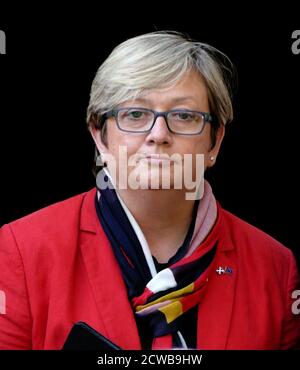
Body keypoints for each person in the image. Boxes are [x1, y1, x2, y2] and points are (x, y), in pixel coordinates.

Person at [0, 31, 299, 350]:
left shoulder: (275, 268)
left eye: (184, 116)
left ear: (215, 141)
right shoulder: (22, 251)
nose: (159, 134)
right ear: (100, 137)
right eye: (135, 114)